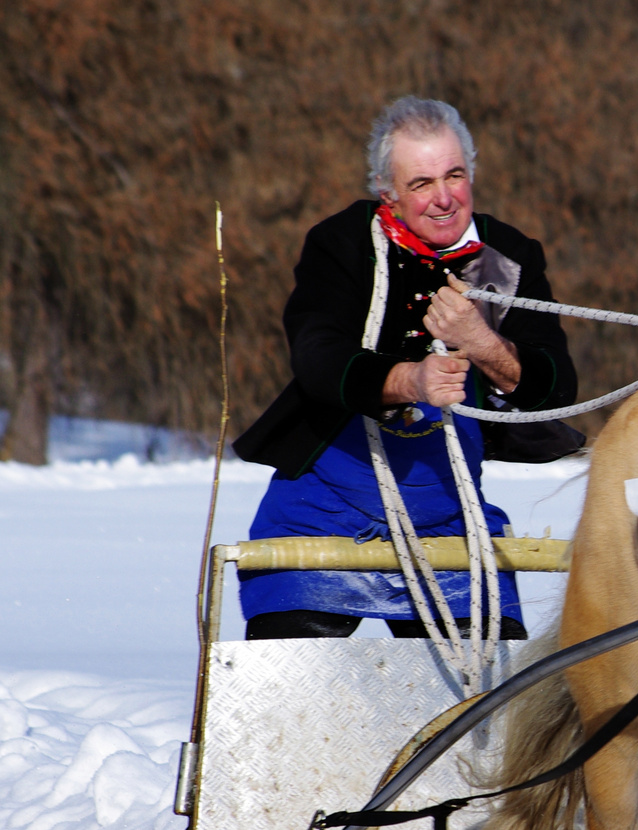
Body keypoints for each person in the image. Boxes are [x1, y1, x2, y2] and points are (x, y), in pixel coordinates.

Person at [232, 96, 577, 641]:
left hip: (449, 513)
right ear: (386, 190)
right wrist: (408, 381)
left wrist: (480, 342)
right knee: (292, 684)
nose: (443, 199)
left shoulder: (506, 257)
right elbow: (317, 357)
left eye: (455, 176)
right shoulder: (342, 242)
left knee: (487, 699)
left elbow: (551, 388)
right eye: (421, 184)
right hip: (324, 507)